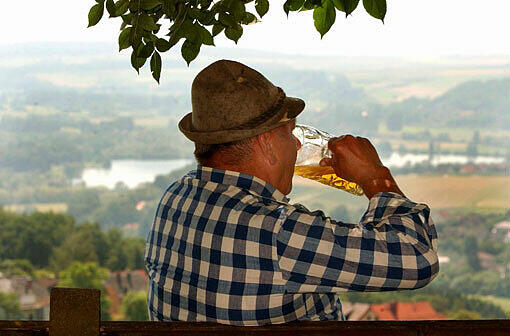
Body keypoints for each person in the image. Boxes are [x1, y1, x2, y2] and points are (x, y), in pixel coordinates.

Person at [145, 60, 439, 325]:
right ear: (266, 143)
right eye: (290, 134)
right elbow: (418, 258)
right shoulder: (277, 233)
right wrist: (376, 178)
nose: (297, 147)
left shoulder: (175, 199)